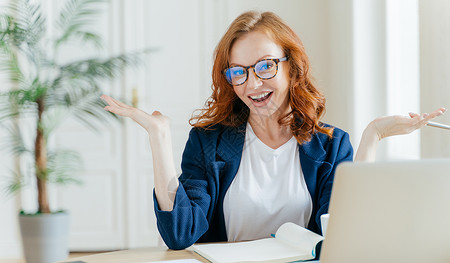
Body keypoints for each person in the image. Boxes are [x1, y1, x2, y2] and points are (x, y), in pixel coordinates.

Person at [101, 11, 445, 250]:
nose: (252, 83)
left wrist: (373, 136)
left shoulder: (331, 146)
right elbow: (180, 234)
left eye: (265, 66)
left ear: (292, 66)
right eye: (238, 71)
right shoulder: (209, 142)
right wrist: (159, 138)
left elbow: (345, 233)